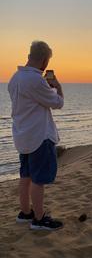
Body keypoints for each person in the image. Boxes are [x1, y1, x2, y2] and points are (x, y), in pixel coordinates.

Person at [8, 40, 64, 230]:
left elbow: (32, 102)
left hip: (22, 135)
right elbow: (57, 102)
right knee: (39, 180)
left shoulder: (15, 78)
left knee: (26, 176)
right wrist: (57, 86)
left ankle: (25, 213)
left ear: (29, 55)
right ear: (44, 61)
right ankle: (39, 219)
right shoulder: (35, 79)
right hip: (39, 136)